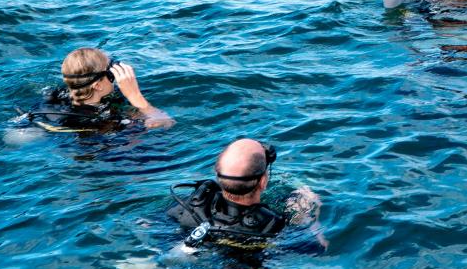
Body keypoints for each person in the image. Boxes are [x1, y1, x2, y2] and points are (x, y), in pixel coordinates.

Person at [168, 138, 327, 252]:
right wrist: (309, 216)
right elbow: (319, 249)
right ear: (263, 181)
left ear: (218, 176)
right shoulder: (273, 225)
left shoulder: (195, 202)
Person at [22, 47, 173, 134]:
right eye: (111, 74)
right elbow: (167, 123)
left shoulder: (55, 98)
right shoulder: (103, 123)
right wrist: (135, 96)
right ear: (98, 85)